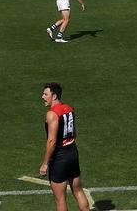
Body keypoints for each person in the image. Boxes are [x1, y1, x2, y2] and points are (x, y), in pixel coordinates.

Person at [39, 83, 90, 211]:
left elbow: (52, 141)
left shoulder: (52, 114)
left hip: (59, 159)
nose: (42, 96)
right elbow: (74, 133)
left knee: (60, 199)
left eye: (46, 94)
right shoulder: (69, 109)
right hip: (72, 153)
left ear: (54, 96)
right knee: (78, 191)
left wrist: (45, 163)